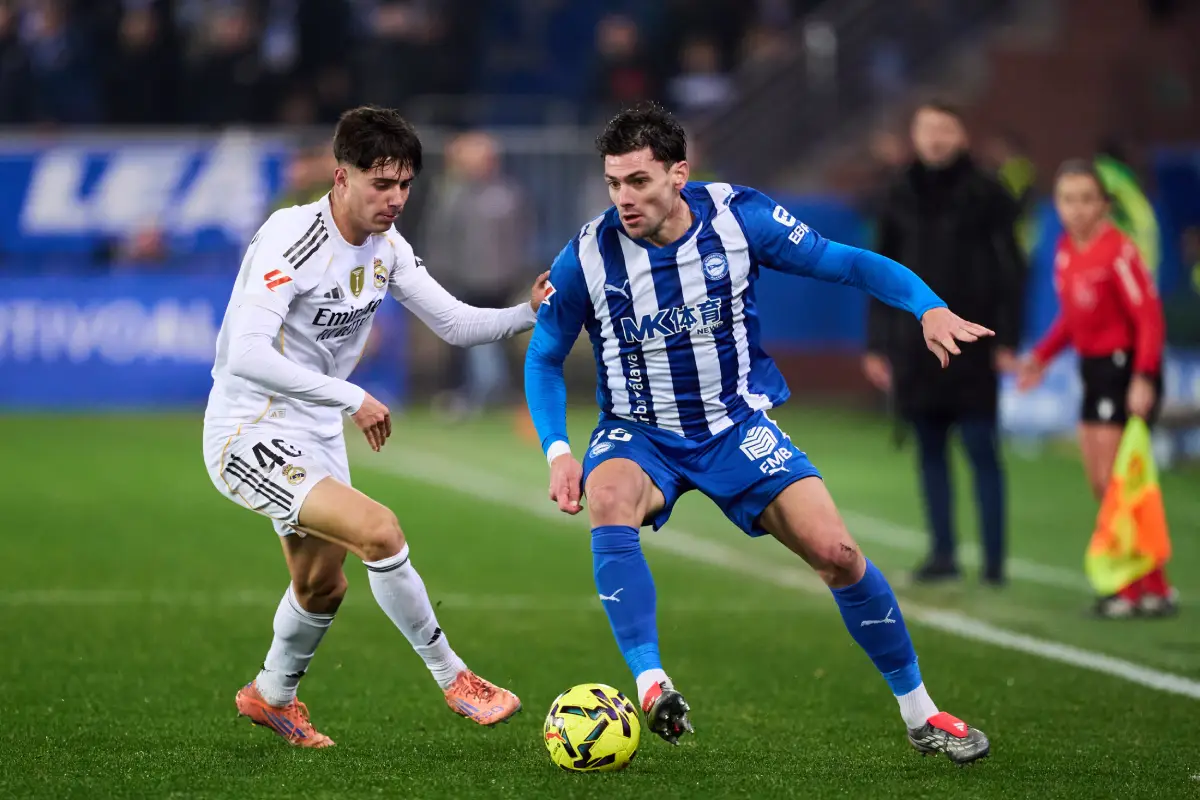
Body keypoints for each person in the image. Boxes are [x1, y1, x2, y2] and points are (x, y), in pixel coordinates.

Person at [523, 102, 992, 764]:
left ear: (678, 174)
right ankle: (652, 682)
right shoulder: (586, 257)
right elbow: (544, 358)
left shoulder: (739, 218)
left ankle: (922, 715)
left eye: (639, 181)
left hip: (735, 427)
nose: (623, 198)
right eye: (613, 183)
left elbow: (847, 263)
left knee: (838, 553)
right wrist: (559, 452)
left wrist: (927, 306)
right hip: (638, 432)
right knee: (607, 498)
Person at [202, 106, 549, 747]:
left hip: (315, 430)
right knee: (380, 531)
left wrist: (528, 312)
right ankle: (455, 678)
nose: (395, 199)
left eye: (405, 184)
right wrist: (352, 395)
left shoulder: (388, 248)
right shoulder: (292, 236)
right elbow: (245, 354)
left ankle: (271, 696)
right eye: (381, 183)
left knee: (321, 586)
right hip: (249, 428)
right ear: (341, 177)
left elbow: (455, 323)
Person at [863, 100, 1026, 586]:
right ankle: (942, 554)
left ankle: (994, 562)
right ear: (915, 136)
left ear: (962, 135)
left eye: (945, 129)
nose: (936, 138)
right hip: (915, 346)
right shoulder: (897, 192)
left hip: (976, 341)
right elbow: (877, 271)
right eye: (927, 129)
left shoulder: (989, 192)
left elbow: (1013, 270)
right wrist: (877, 343)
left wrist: (1009, 339)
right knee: (929, 451)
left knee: (981, 448)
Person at [1016, 160, 1176, 618]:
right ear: (1057, 205)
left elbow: (1149, 318)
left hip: (1125, 369)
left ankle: (1125, 588)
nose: (1078, 209)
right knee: (1104, 482)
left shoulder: (1118, 251)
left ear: (1104, 204)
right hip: (1094, 370)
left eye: (1087, 199)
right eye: (1068, 199)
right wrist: (1042, 357)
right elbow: (1073, 318)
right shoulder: (1066, 250)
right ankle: (1155, 586)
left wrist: (1143, 377)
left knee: (1115, 481)